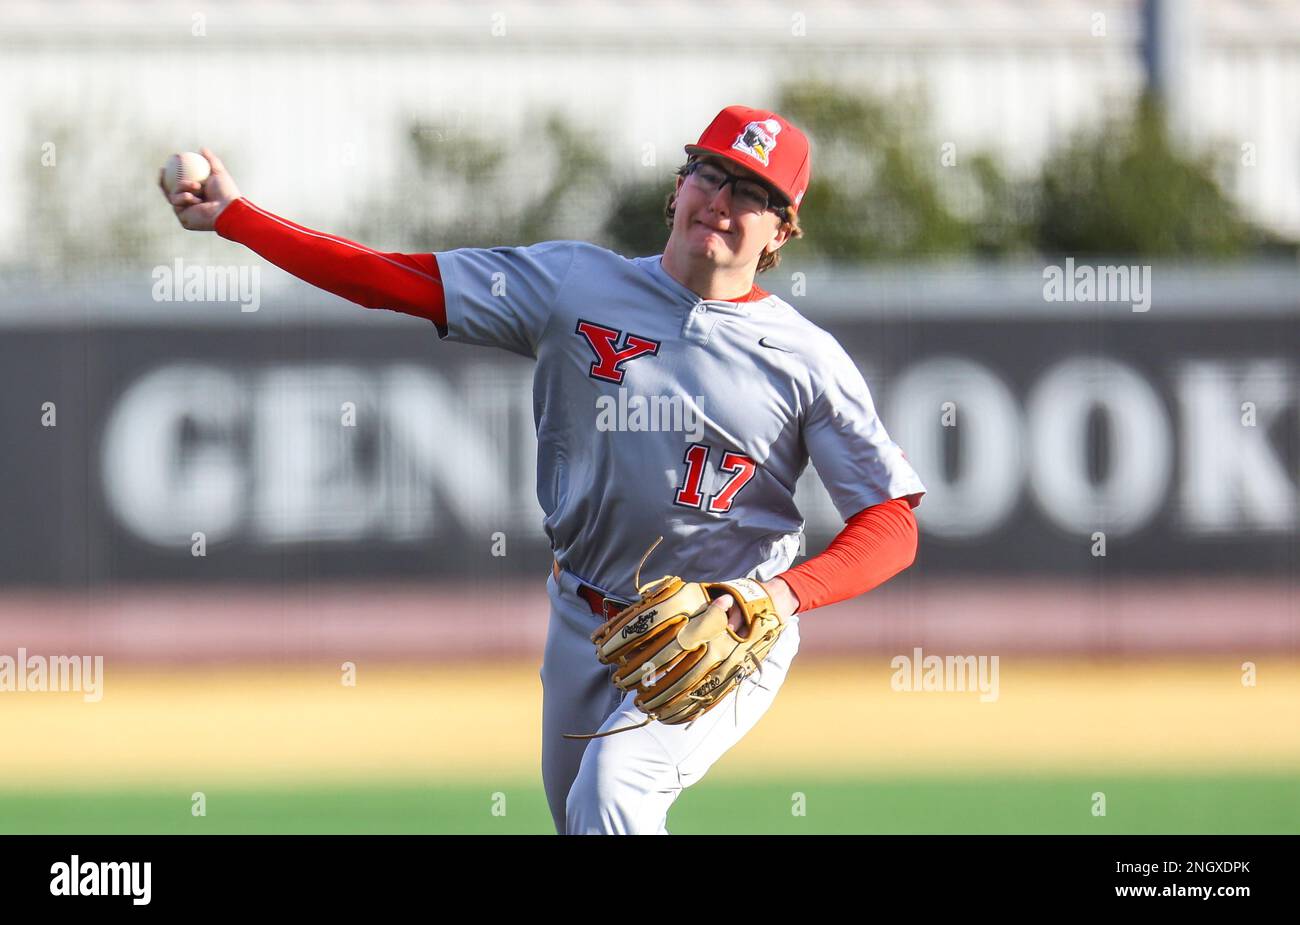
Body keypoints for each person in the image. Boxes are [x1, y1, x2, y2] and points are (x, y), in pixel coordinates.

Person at [160, 105, 927, 835]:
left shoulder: (804, 359)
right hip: (582, 616)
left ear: (780, 232)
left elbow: (891, 522)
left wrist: (774, 598)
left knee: (614, 789)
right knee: (582, 817)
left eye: (754, 195)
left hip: (724, 629)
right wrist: (237, 217)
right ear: (677, 188)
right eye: (711, 175)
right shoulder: (574, 285)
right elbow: (388, 277)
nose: (723, 203)